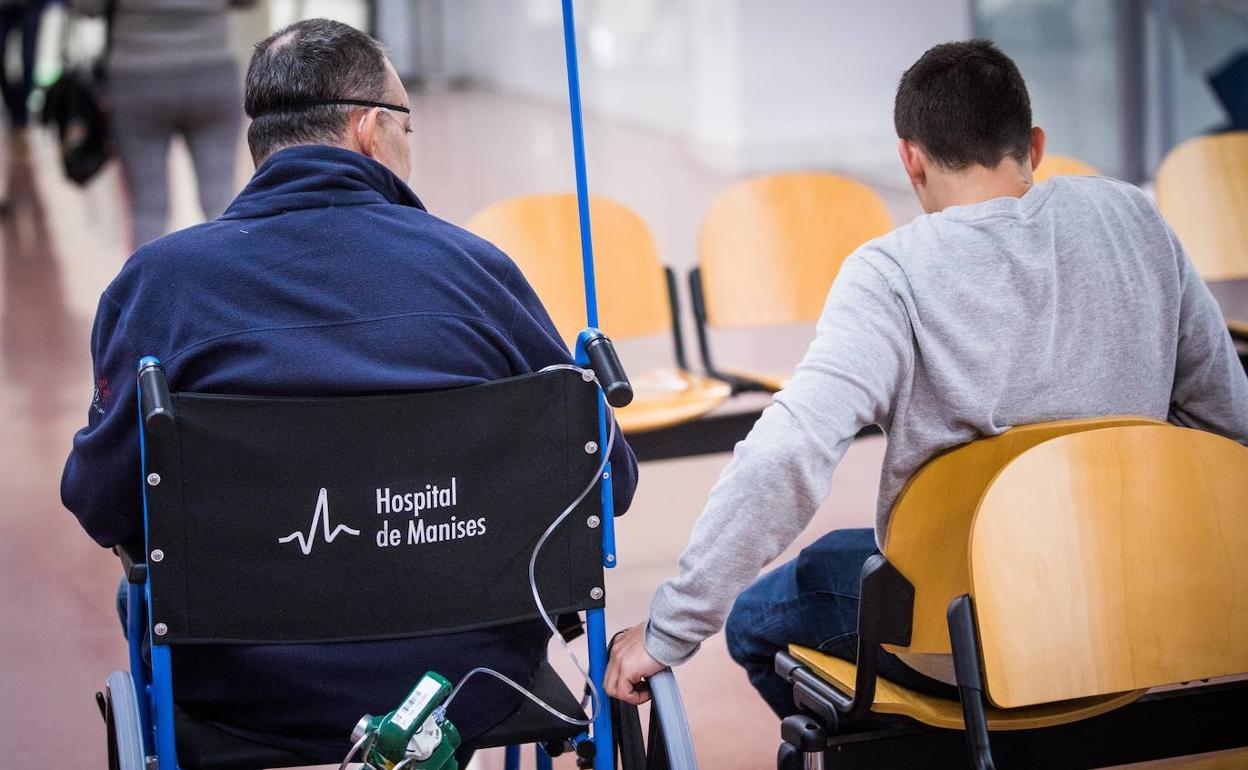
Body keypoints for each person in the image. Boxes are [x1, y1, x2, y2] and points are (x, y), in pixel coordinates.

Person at [605, 39, 1248, 717]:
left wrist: (669, 630)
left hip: (966, 637)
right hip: (1137, 610)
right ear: (1033, 143)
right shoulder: (1135, 221)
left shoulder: (891, 274)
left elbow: (786, 453)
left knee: (756, 620)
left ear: (909, 157)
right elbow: (1227, 422)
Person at [61, 18, 638, 761]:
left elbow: (101, 500)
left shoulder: (159, 287)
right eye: (406, 124)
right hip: (469, 685)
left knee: (144, 592)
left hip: (244, 690)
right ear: (370, 129)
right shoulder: (477, 273)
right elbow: (603, 481)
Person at [69, 0, 254, 247]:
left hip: (138, 77)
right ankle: (234, 281)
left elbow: (87, 6)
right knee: (221, 199)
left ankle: (150, 285)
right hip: (211, 69)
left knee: (147, 210)